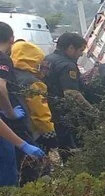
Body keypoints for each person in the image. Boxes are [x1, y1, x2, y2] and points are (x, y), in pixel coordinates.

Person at [0, 23, 46, 186]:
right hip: (10, 127)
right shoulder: (3, 58)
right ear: (11, 39)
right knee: (9, 178)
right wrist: (10, 112)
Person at [10, 41, 54, 184]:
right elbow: (40, 114)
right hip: (32, 134)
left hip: (11, 131)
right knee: (37, 172)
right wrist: (51, 136)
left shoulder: (10, 75)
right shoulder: (33, 82)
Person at [43, 32, 90, 160]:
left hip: (46, 108)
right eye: (80, 50)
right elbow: (71, 93)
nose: (81, 54)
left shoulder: (48, 59)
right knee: (68, 147)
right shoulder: (68, 65)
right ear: (70, 48)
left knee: (50, 143)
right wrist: (92, 111)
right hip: (61, 112)